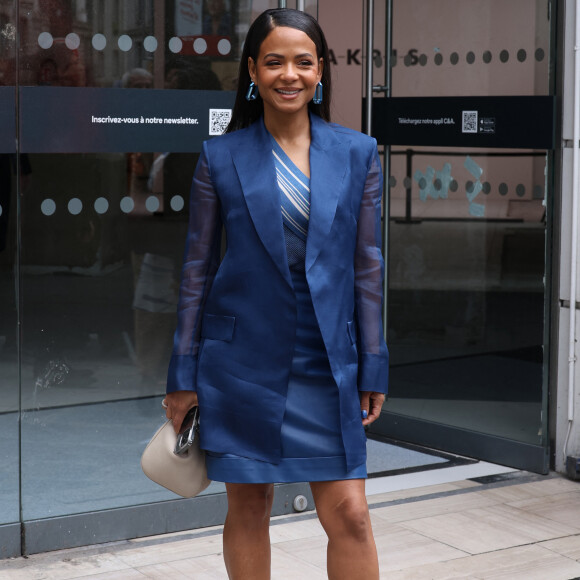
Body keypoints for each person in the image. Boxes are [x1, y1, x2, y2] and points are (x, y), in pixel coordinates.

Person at [163, 8, 388, 579]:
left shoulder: (358, 152)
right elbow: (196, 270)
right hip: (239, 364)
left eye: (303, 62)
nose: (289, 74)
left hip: (327, 363)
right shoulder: (222, 156)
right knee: (249, 506)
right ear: (252, 72)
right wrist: (182, 375)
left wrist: (373, 365)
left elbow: (367, 267)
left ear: (320, 73)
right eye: (275, 61)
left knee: (352, 517)